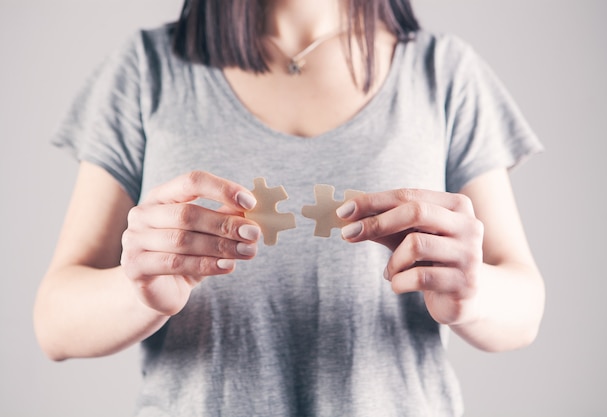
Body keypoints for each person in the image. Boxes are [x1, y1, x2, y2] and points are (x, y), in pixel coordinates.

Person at [34, 0, 545, 415]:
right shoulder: (145, 67)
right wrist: (139, 290)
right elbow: (54, 324)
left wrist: (471, 294)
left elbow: (524, 311)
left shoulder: (445, 73)